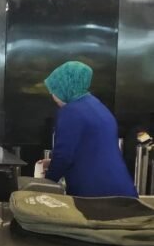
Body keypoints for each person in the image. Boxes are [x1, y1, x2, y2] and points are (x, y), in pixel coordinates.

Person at [39, 61, 138, 197]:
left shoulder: (70, 112)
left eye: (54, 89)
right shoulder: (98, 106)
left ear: (65, 87)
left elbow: (63, 156)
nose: (52, 95)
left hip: (96, 195)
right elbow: (92, 151)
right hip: (122, 191)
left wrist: (45, 184)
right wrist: (52, 163)